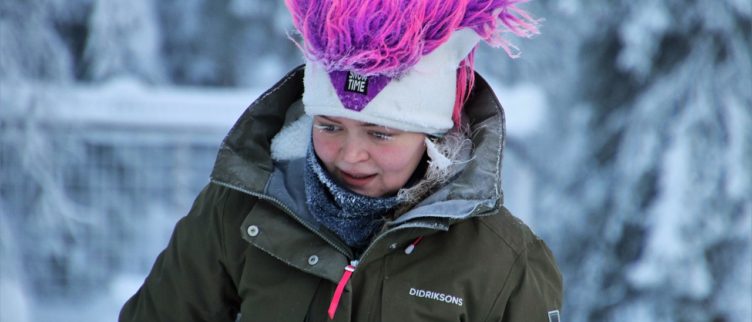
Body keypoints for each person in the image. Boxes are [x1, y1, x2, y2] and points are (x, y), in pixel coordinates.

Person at [120, 0, 562, 321]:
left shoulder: (504, 259)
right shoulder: (237, 211)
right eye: (330, 126)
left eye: (380, 133)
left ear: (434, 134)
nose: (351, 155)